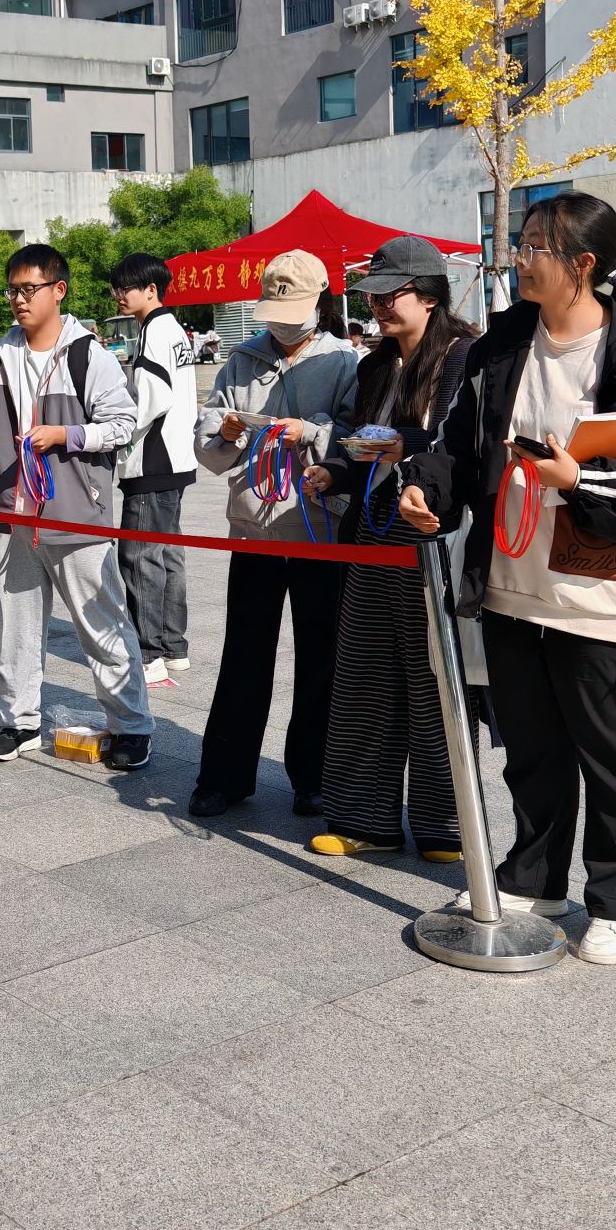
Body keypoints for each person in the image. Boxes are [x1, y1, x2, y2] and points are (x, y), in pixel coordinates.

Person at [402, 192, 616, 966]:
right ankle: (535, 879)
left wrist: (581, 482)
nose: (519, 258)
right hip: (511, 583)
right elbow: (456, 447)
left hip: (599, 594)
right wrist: (425, 489)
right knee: (532, 749)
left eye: (536, 246)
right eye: (520, 242)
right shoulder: (500, 345)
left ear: (582, 264)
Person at [0, 243, 155, 769]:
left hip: (76, 511)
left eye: (29, 289)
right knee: (15, 625)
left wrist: (67, 434)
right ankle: (18, 722)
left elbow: (124, 424)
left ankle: (132, 727)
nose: (19, 300)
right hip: (12, 512)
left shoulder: (87, 355)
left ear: (58, 290)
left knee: (102, 621)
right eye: (12, 291)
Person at [302, 237, 476, 860]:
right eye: (372, 296)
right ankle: (365, 820)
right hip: (373, 529)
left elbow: (461, 441)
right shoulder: (373, 364)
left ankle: (446, 825)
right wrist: (335, 471)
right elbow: (357, 440)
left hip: (430, 529)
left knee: (435, 677)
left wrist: (405, 446)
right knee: (364, 674)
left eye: (389, 294)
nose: (377, 306)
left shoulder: (463, 356)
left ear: (428, 296)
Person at [189, 250, 358, 818]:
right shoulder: (241, 360)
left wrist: (310, 432)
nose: (282, 325)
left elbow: (357, 434)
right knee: (244, 652)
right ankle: (224, 775)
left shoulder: (344, 360)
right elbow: (208, 438)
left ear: (319, 302)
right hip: (255, 526)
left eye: (293, 312)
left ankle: (315, 776)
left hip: (318, 526)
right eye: (275, 313)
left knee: (322, 655)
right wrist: (228, 432)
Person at [109, 252, 200, 685]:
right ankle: (173, 646)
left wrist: (117, 433)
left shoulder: (153, 331)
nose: (119, 295)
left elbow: (150, 398)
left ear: (151, 289)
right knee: (167, 552)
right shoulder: (174, 329)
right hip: (176, 458)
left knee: (140, 556)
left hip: (153, 460)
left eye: (126, 287)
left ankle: (149, 653)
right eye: (117, 288)